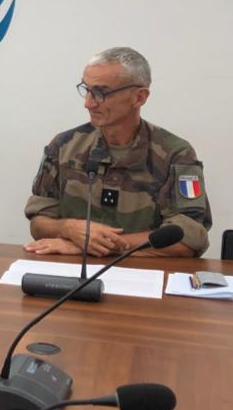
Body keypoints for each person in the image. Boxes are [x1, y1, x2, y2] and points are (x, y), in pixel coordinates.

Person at [24, 47, 212, 258]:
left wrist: (95, 246)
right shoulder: (64, 145)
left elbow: (188, 239)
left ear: (139, 97)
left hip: (143, 272)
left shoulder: (175, 154)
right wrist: (67, 228)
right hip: (73, 271)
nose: (88, 103)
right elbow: (38, 222)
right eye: (87, 90)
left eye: (101, 93)